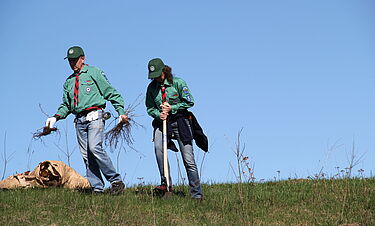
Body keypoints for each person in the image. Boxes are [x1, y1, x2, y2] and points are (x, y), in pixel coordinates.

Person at [45, 46, 128, 195]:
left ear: (82, 59)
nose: (72, 63)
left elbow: (111, 92)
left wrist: (120, 112)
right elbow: (66, 105)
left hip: (95, 116)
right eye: (70, 61)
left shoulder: (94, 73)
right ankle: (97, 188)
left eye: (75, 60)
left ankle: (116, 181)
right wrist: (55, 117)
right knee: (87, 155)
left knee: (95, 148)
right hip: (79, 121)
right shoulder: (69, 82)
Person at [145, 58, 204, 199]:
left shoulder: (178, 83)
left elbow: (190, 101)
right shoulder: (152, 89)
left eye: (159, 75)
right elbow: (149, 108)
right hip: (162, 123)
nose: (157, 79)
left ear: (164, 71)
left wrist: (173, 108)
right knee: (158, 149)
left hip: (181, 122)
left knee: (188, 159)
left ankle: (197, 193)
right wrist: (158, 114)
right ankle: (167, 186)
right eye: (154, 77)